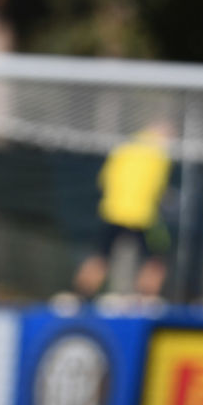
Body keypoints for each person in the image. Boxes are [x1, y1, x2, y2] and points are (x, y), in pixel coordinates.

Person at [71, 121, 173, 302]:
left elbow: (104, 179)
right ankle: (147, 298)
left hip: (113, 212)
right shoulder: (160, 154)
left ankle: (79, 296)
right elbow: (158, 186)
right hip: (143, 215)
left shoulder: (124, 147)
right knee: (156, 260)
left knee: (101, 256)